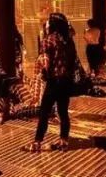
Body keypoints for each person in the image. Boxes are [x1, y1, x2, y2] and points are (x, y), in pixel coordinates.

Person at [26, 13, 82, 152]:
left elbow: (46, 62)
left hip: (54, 81)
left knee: (44, 112)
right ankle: (64, 140)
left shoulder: (49, 39)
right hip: (66, 81)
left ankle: (37, 141)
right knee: (63, 112)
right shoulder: (68, 41)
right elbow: (73, 62)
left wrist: (44, 72)